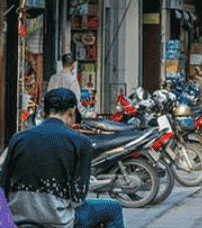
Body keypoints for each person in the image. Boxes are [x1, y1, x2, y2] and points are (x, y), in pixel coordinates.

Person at [0, 88, 125, 228]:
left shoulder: (18, 139)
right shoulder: (81, 142)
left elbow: (3, 185)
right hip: (59, 220)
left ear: (43, 113)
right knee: (114, 208)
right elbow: (78, 198)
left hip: (17, 219)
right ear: (71, 113)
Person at [47, 53, 93, 122]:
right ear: (73, 65)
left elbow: (47, 99)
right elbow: (77, 104)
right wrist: (89, 114)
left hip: (52, 118)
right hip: (66, 119)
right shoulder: (73, 80)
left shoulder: (53, 78)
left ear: (62, 63)